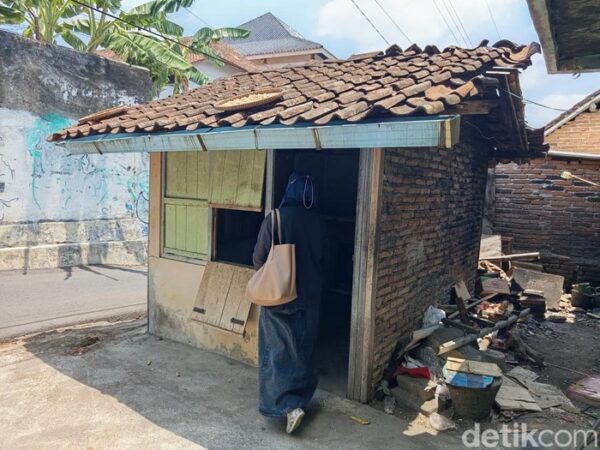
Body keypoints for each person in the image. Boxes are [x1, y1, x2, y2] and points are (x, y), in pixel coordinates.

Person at [252, 171, 326, 434]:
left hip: (278, 298)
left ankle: (286, 406)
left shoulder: (275, 218)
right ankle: (301, 400)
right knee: (303, 350)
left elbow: (258, 259)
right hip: (310, 298)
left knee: (276, 353)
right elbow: (327, 259)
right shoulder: (319, 222)